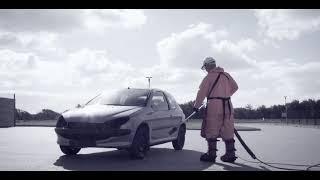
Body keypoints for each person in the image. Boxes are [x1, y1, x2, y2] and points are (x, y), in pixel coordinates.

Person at [193, 57, 238, 163]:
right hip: (228, 105)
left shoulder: (208, 77)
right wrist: (225, 95)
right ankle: (230, 154)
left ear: (208, 66)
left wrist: (196, 106)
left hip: (214, 106)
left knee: (212, 129)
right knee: (228, 129)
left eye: (205, 67)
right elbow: (235, 87)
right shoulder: (227, 75)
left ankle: (211, 154)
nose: (206, 69)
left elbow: (201, 93)